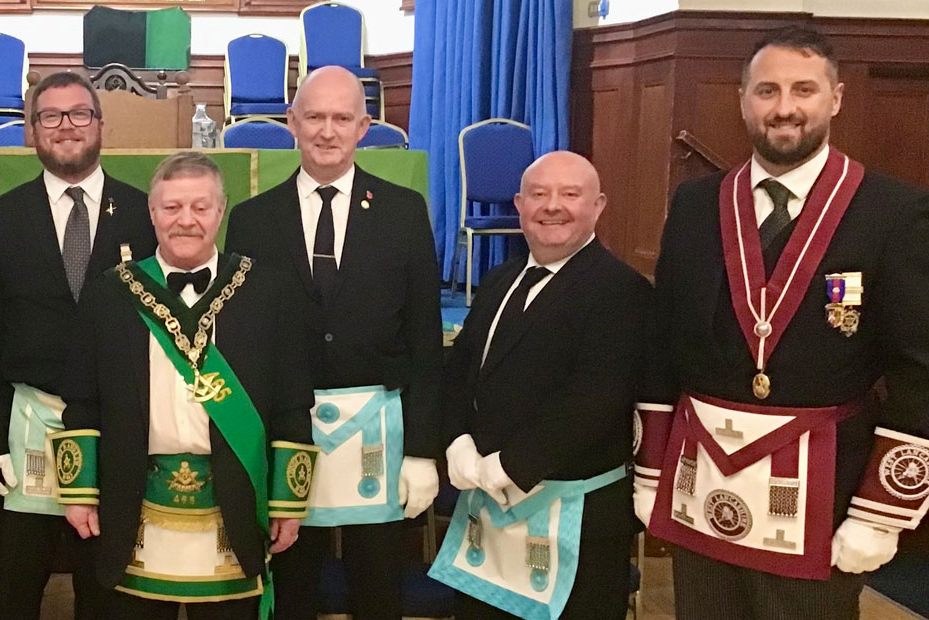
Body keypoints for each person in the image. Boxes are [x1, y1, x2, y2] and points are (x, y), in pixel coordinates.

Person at [634, 25, 929, 620]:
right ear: (743, 99)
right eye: (767, 91)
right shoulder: (694, 206)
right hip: (703, 480)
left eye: (804, 89)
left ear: (836, 98)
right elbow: (660, 347)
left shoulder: (894, 211)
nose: (785, 108)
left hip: (825, 493)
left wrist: (882, 509)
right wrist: (651, 468)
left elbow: (920, 369)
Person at [52, 151, 318, 620]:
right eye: (172, 207)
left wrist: (288, 502)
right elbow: (82, 401)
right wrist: (79, 495)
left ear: (221, 211)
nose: (186, 221)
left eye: (200, 207)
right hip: (133, 504)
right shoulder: (109, 294)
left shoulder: (267, 293)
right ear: (152, 214)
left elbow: (291, 404)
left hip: (235, 503)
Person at [225, 65, 442, 620]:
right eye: (314, 116)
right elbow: (243, 342)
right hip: (286, 434)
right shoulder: (252, 219)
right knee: (293, 589)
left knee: (377, 591)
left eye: (341, 118)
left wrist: (421, 450)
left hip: (379, 441)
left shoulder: (403, 211)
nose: (327, 130)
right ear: (292, 122)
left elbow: (423, 336)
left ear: (364, 127)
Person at [0, 70, 156, 620]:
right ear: (30, 131)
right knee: (17, 592)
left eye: (79, 114)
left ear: (101, 126)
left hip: (116, 436)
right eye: (50, 116)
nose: (65, 126)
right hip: (26, 440)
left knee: (107, 592)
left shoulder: (145, 214)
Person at [428, 151, 650, 620]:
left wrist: (510, 465)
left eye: (570, 194)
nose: (553, 206)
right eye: (539, 194)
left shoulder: (621, 291)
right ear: (519, 204)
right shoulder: (499, 279)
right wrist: (456, 440)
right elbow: (461, 368)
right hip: (488, 510)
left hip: (575, 518)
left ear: (598, 205)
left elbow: (594, 401)